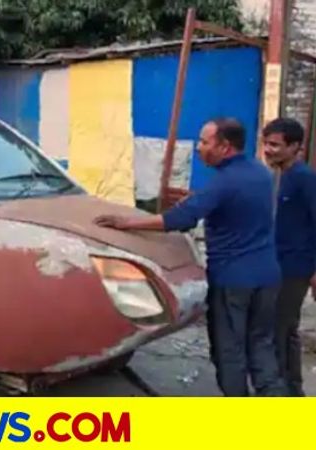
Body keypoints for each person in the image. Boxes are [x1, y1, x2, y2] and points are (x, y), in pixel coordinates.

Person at [95, 118, 285, 396]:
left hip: (234, 281)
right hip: (268, 275)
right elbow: (231, 202)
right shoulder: (260, 172)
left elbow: (178, 218)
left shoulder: (223, 182)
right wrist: (200, 197)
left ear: (225, 147)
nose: (199, 148)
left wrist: (125, 222)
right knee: (262, 345)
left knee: (229, 350)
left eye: (205, 142)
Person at [262, 117, 316, 396]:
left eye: (275, 145)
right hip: (273, 265)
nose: (268, 150)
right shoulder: (275, 176)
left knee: (281, 328)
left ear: (296, 146)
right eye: (266, 144)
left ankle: (287, 393)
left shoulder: (305, 179)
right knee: (279, 329)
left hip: (295, 268)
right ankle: (287, 390)